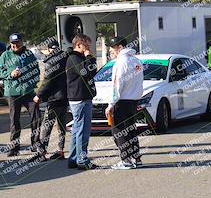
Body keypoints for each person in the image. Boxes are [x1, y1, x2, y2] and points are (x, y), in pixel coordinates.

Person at [0, 33, 42, 157]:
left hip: (28, 91)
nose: (15, 46)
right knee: (14, 119)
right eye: (13, 44)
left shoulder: (29, 55)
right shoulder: (5, 55)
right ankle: (14, 147)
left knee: (36, 116)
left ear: (22, 42)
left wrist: (33, 81)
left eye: (17, 43)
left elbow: (36, 70)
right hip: (12, 92)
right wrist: (10, 74)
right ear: (10, 44)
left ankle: (35, 144)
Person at [105, 36, 144, 170]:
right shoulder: (136, 60)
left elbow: (117, 84)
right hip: (133, 101)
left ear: (120, 47)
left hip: (121, 101)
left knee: (119, 132)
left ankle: (126, 160)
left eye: (112, 48)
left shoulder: (121, 62)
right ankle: (136, 158)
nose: (111, 51)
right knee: (131, 130)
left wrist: (111, 104)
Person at [31, 38, 68, 161]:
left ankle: (42, 152)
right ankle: (60, 150)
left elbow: (48, 81)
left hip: (55, 98)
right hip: (65, 97)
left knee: (47, 125)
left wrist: (39, 95)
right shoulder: (66, 58)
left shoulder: (51, 61)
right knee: (62, 126)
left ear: (48, 50)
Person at [66, 34, 98, 170]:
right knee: (82, 131)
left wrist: (89, 58)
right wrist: (89, 57)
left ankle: (73, 159)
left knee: (77, 130)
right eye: (86, 45)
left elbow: (93, 71)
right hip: (80, 99)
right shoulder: (74, 58)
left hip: (81, 97)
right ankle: (82, 159)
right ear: (78, 45)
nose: (88, 48)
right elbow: (87, 72)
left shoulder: (79, 58)